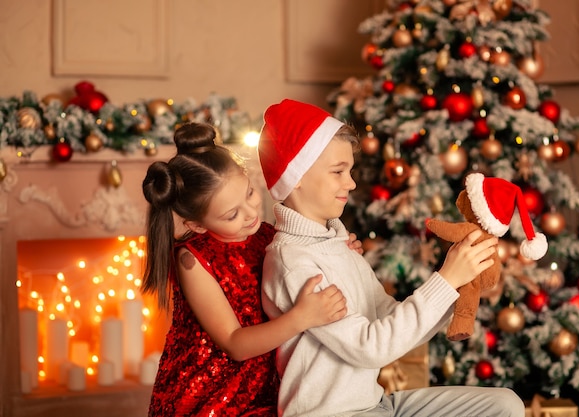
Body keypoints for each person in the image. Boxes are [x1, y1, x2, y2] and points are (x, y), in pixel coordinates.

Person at [257, 99, 526, 417]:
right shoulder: (293, 262)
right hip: (333, 414)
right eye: (338, 171)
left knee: (504, 405)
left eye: (351, 170)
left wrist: (457, 288)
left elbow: (391, 321)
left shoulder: (339, 244)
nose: (351, 183)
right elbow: (371, 347)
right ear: (297, 176)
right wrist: (446, 279)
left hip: (374, 406)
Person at [141, 122, 352, 416]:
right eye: (231, 214)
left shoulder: (267, 235)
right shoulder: (192, 261)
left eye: (250, 194)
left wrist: (340, 251)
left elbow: (309, 258)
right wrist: (302, 317)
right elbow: (234, 344)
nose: (251, 214)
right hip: (215, 395)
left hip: (268, 382)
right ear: (197, 224)